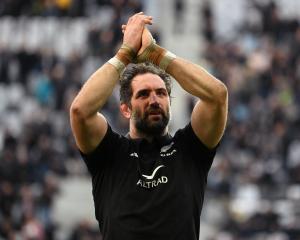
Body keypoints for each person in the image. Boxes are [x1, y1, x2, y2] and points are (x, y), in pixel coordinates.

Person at [70, 12, 228, 240]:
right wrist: (124, 55)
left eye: (161, 93)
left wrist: (157, 55)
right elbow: (80, 111)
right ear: (125, 109)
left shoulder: (190, 151)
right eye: (143, 94)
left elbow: (217, 95)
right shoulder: (110, 154)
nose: (154, 100)